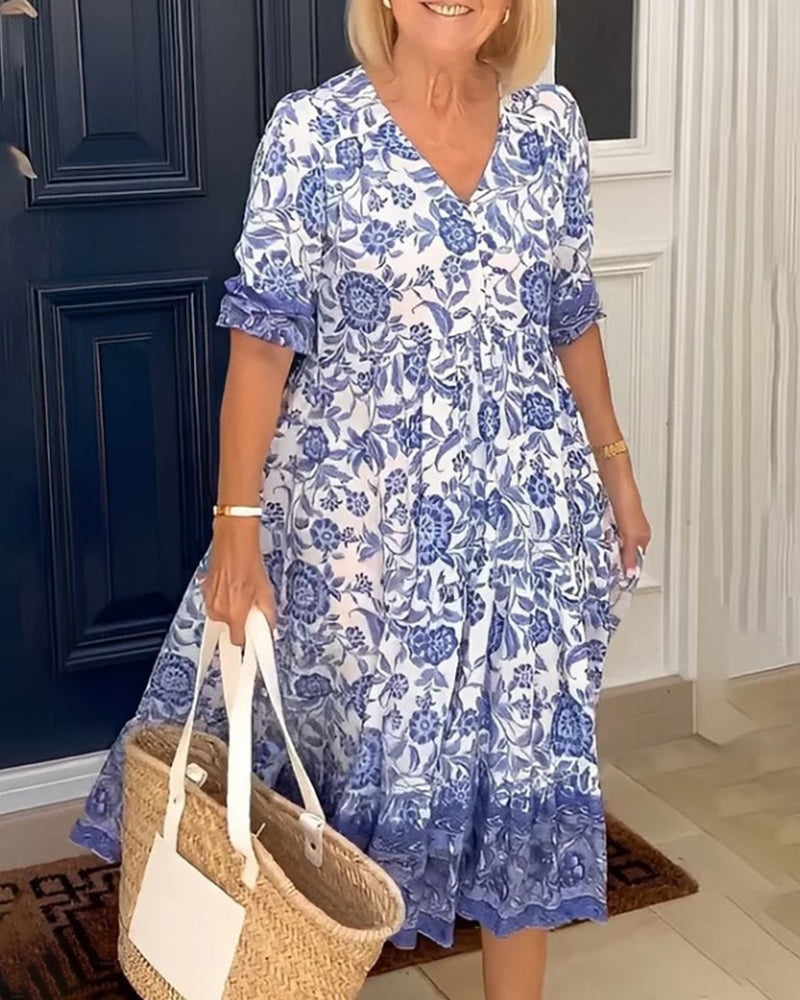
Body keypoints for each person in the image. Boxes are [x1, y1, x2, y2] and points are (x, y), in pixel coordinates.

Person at [73, 1, 651, 996]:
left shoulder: (549, 126)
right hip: (355, 533)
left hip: (525, 519)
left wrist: (616, 466)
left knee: (521, 771)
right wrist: (236, 532)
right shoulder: (314, 131)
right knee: (330, 798)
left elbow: (569, 309)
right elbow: (262, 342)